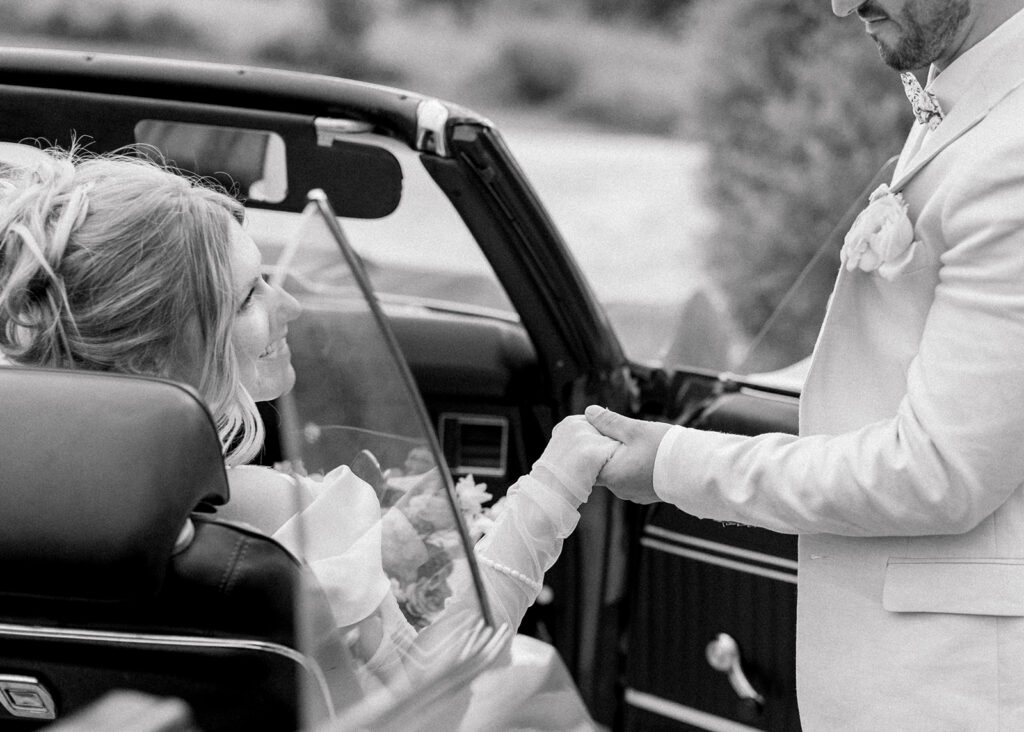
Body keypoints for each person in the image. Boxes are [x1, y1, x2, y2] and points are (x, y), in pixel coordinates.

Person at [0, 147, 614, 728]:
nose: (289, 304)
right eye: (248, 298)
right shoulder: (283, 521)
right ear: (156, 359)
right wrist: (553, 488)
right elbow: (438, 696)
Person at [585, 1, 1024, 729]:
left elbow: (940, 471)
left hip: (958, 693)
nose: (841, 4)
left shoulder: (1012, 154)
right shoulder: (961, 95)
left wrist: (674, 462)